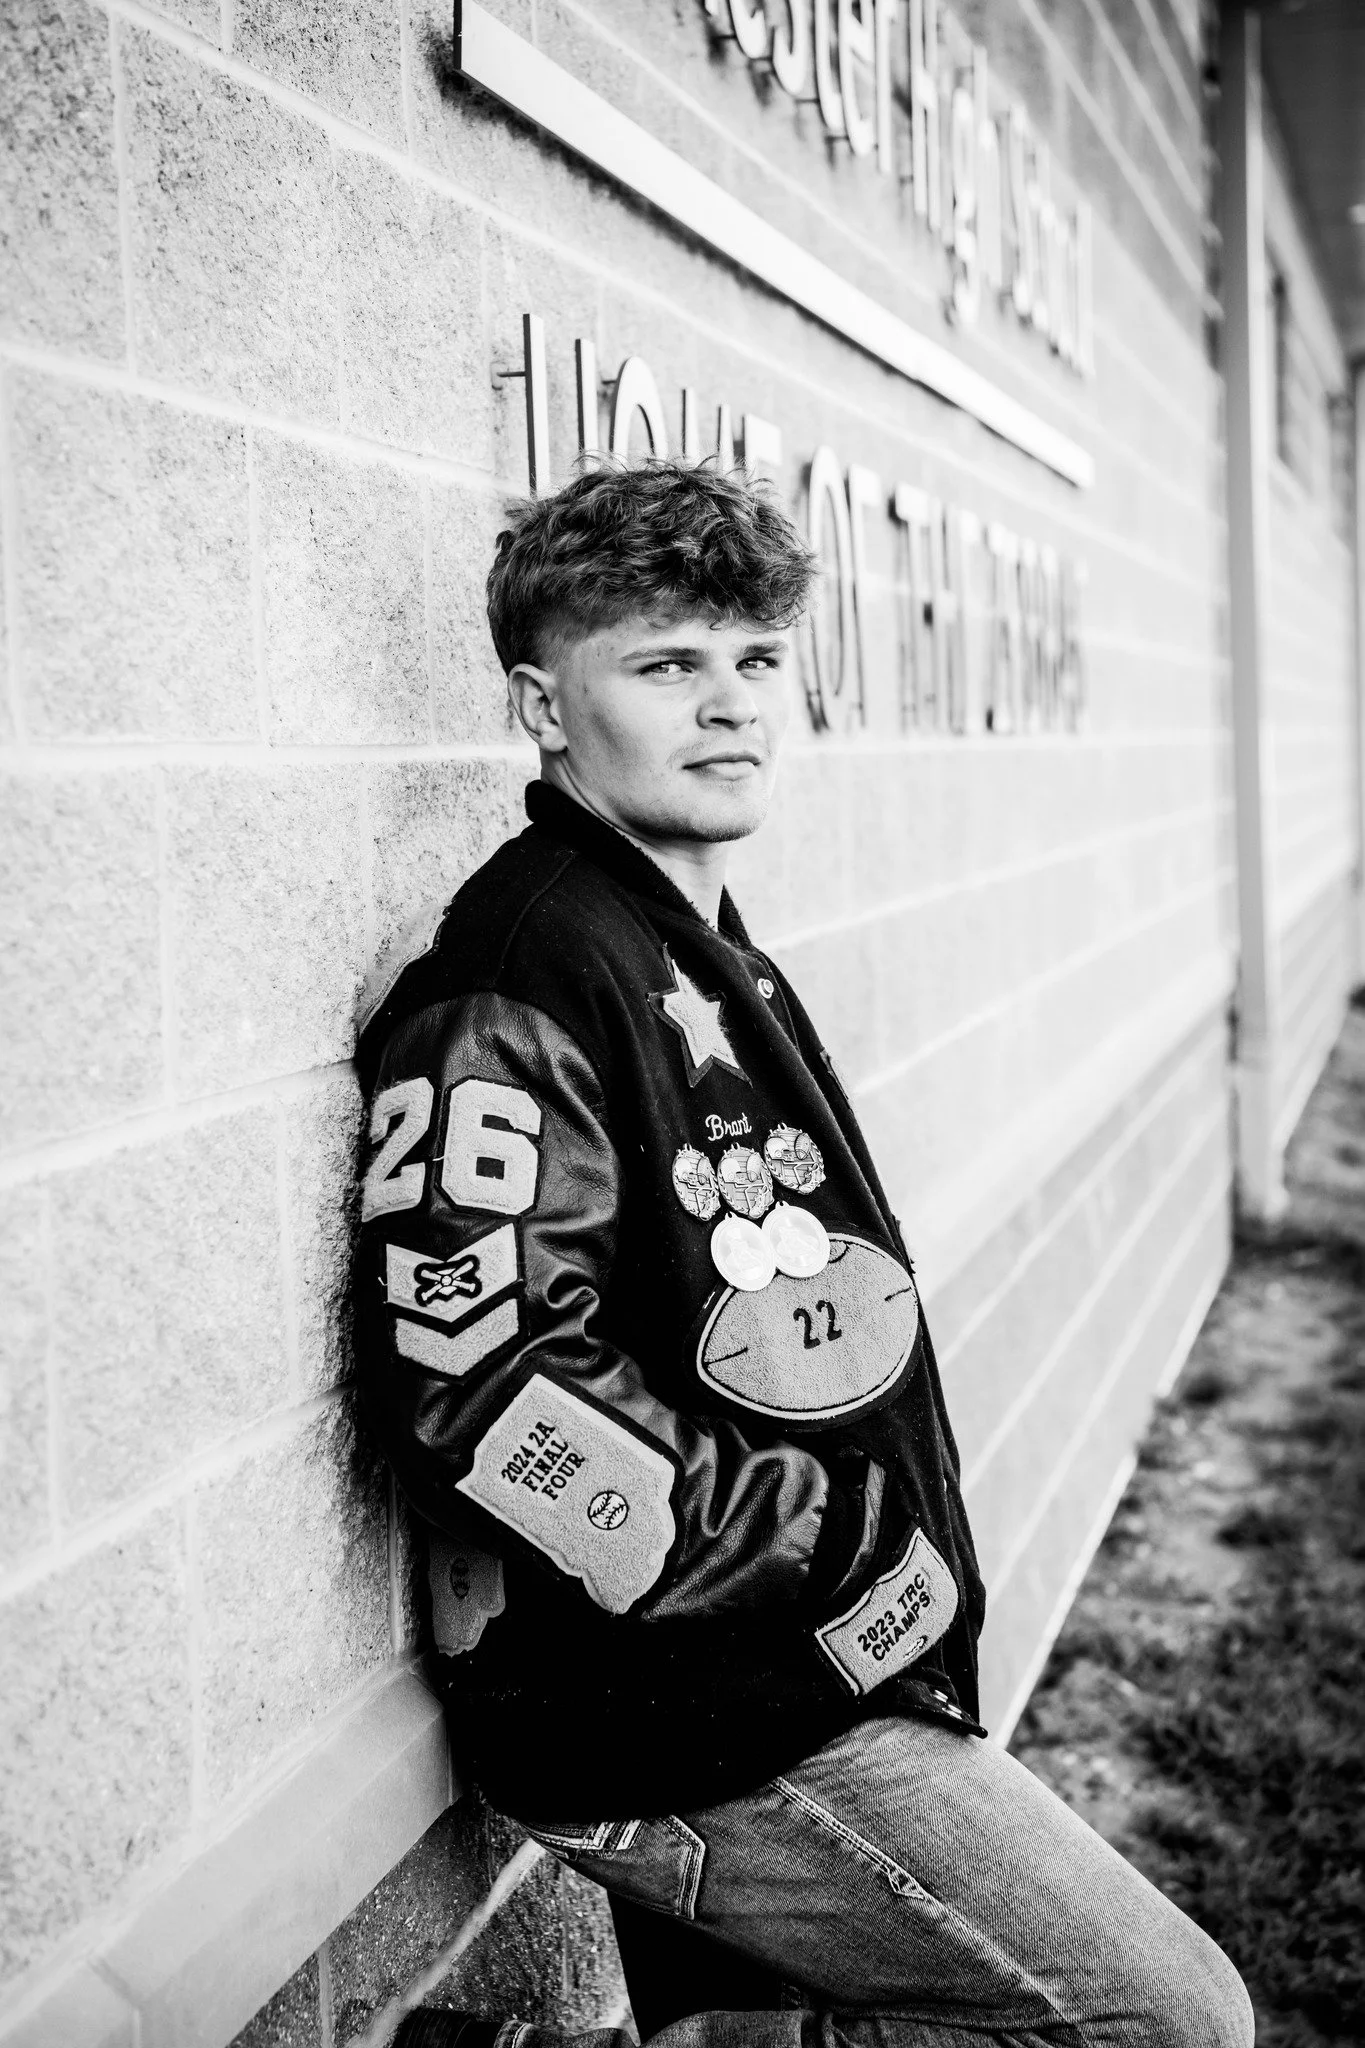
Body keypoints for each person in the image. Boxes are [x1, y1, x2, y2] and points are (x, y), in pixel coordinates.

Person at [352, 462, 1251, 2048]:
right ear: (541, 704)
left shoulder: (690, 932)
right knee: (1164, 2017)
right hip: (702, 1711)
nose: (730, 706)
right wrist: (828, 1544)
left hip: (771, 1670)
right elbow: (487, 1394)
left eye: (758, 660)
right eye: (664, 664)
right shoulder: (516, 973)